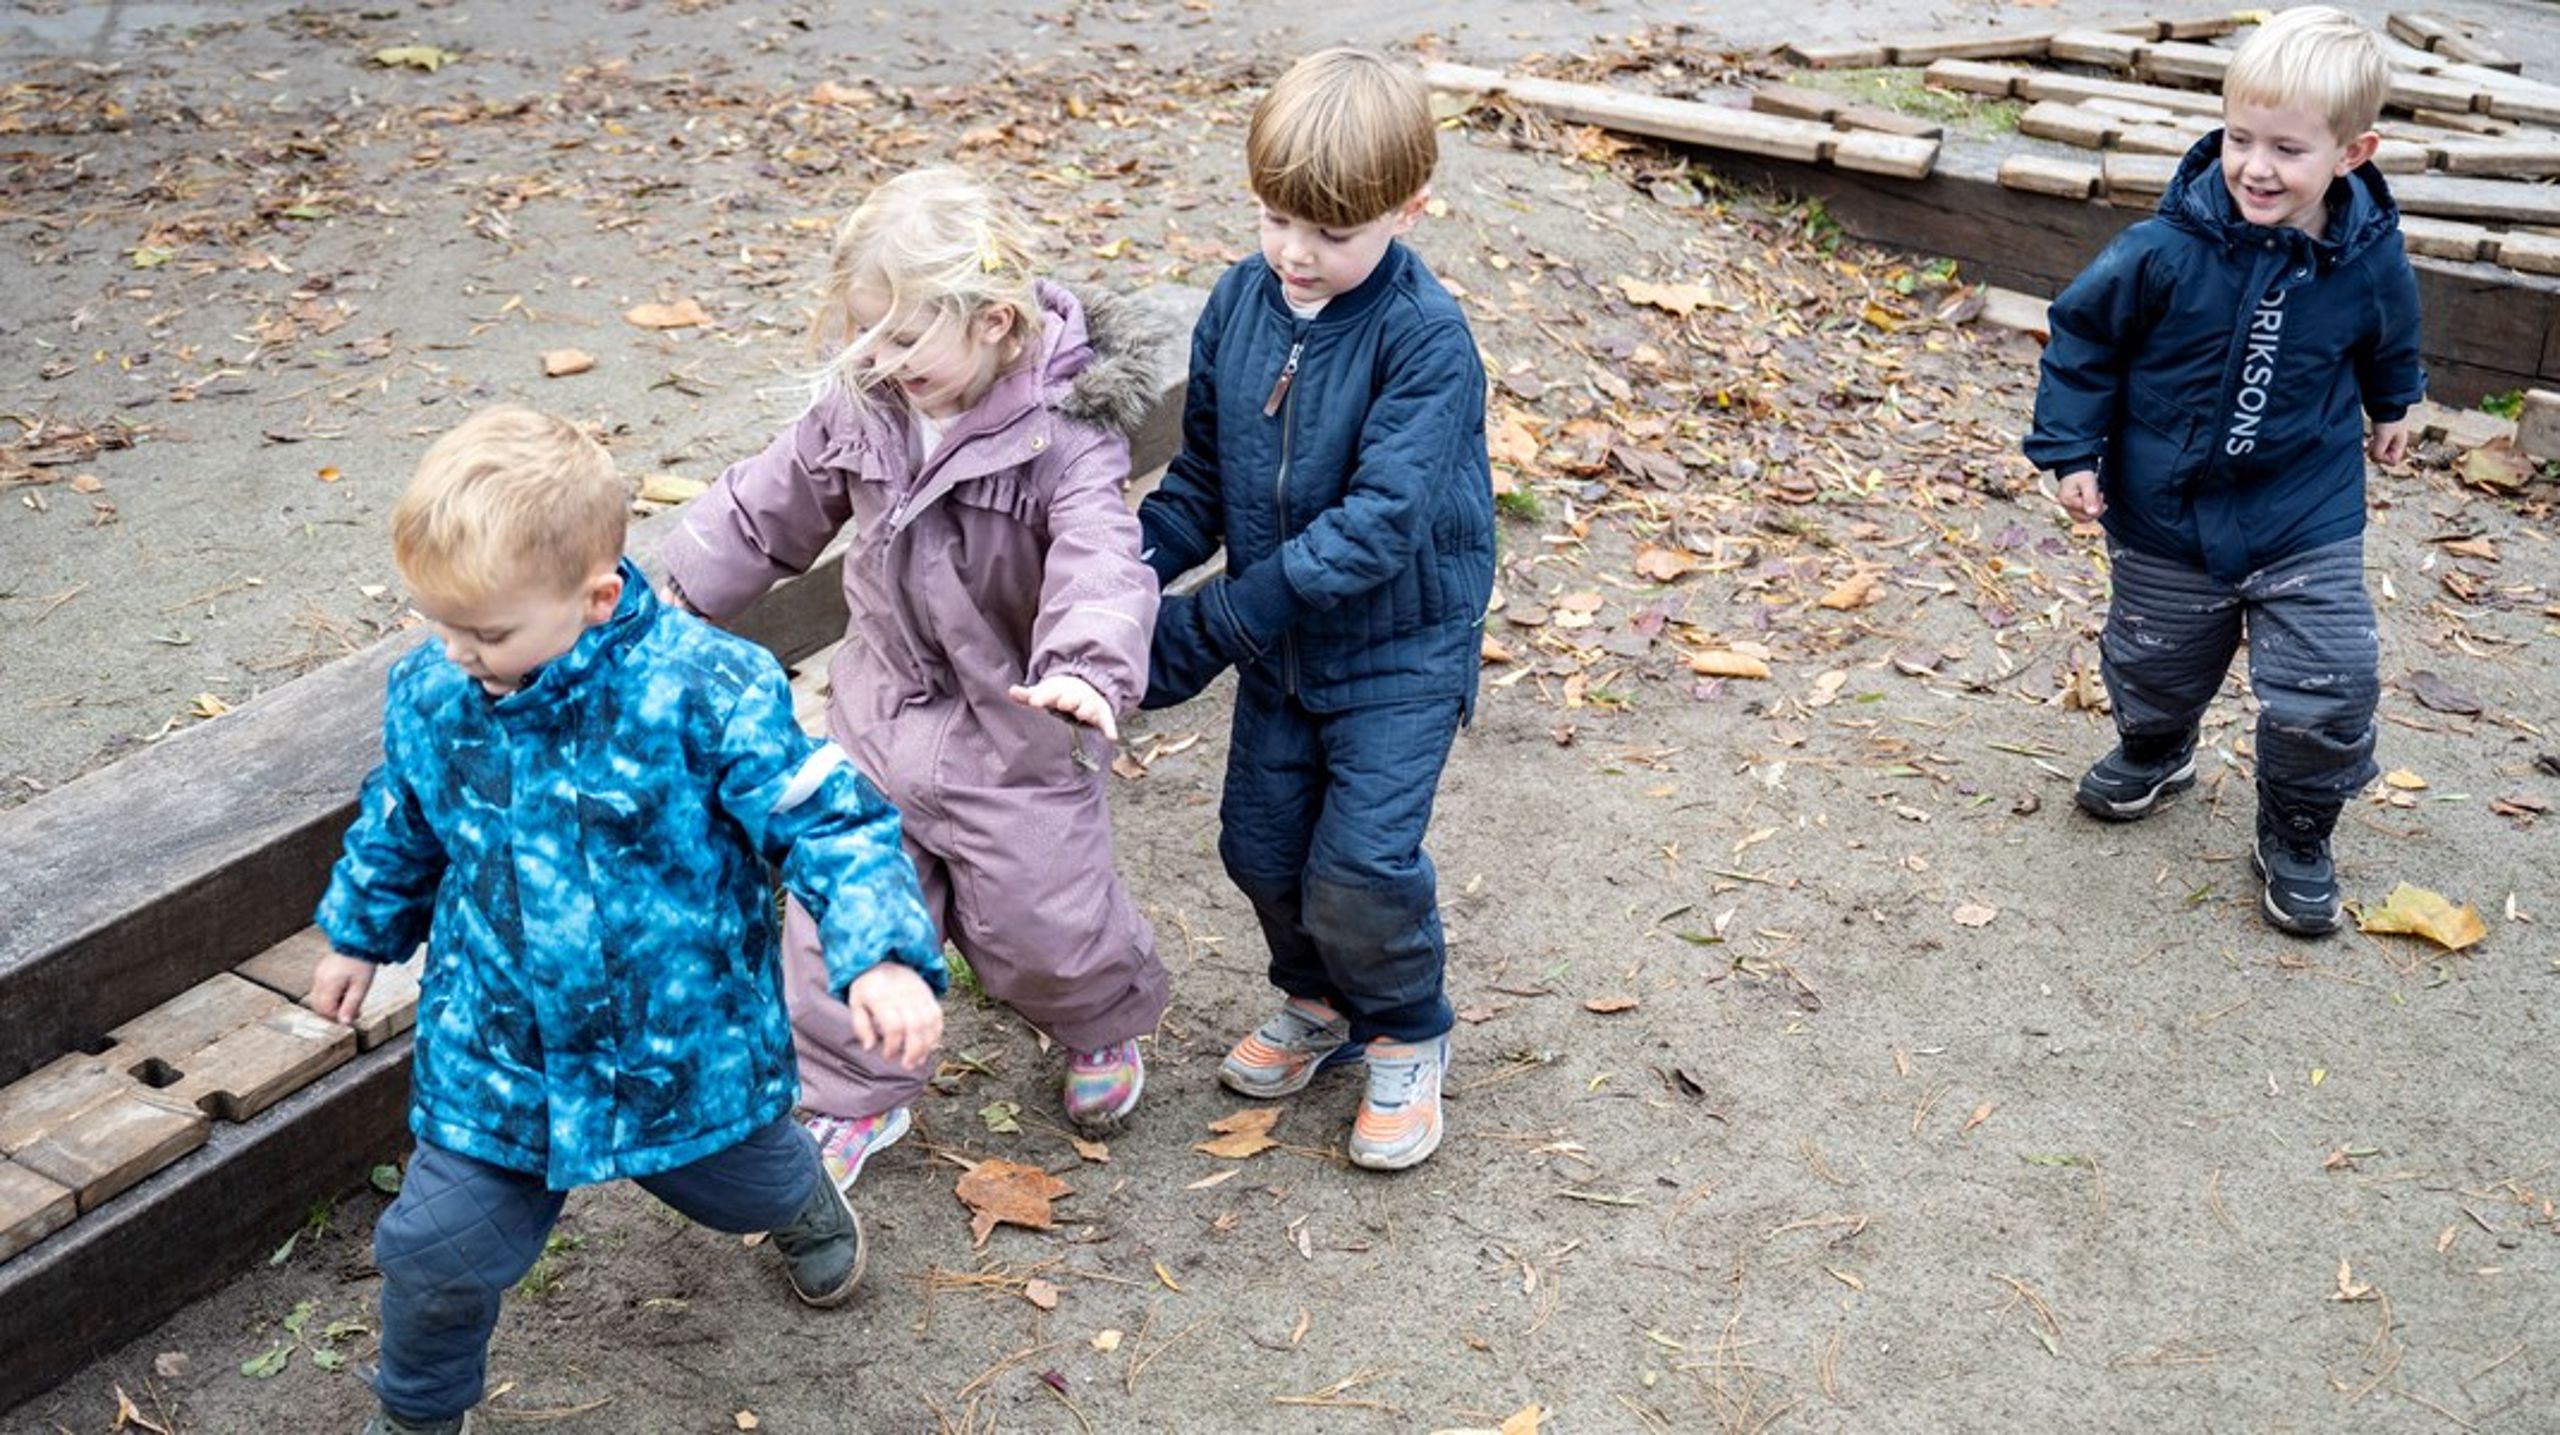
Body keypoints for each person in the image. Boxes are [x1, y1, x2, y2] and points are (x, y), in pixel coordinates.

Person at [306, 406, 947, 1435]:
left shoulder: (705, 688)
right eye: (441, 622)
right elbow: (404, 812)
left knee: (746, 1183)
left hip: (681, 1050)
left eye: (490, 631)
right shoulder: (436, 690)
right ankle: (418, 1413)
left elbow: (830, 821)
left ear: (597, 597)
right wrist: (361, 931)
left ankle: (799, 1199)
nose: (461, 652)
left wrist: (879, 956)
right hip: (499, 1055)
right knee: (434, 1249)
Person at [663, 166, 1174, 1184]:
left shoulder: (1063, 436)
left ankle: (1099, 1024)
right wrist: (671, 597)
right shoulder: (863, 409)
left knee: (1046, 924)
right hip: (881, 710)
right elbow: (766, 507)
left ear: (991, 321)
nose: (878, 360)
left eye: (901, 340)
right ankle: (849, 1096)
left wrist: (1082, 666)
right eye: (864, 335)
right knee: (835, 911)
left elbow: (1100, 558)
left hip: (1016, 728)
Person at [1137, 47, 1496, 1170]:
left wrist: (1213, 626)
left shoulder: (1423, 339)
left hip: (1398, 647)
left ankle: (1406, 1028)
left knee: (1361, 865)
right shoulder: (1242, 303)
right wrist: (1125, 571)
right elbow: (1199, 477)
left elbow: (1378, 526)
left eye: (1333, 234)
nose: (1297, 252)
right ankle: (1317, 1002)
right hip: (1287, 646)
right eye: (1276, 218)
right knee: (1259, 846)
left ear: (1409, 206)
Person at [2026, 6, 2423, 937]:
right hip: (2166, 509)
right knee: (2154, 660)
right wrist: (2070, 449)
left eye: (2288, 148)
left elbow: (2391, 333)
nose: (2254, 165)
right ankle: (2158, 746)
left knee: (2330, 681)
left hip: (2304, 511)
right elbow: (2083, 343)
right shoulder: (2164, 250)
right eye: (2240, 137)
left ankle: (2295, 827)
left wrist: (2394, 402)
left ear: (2352, 153)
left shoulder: (2367, 260)